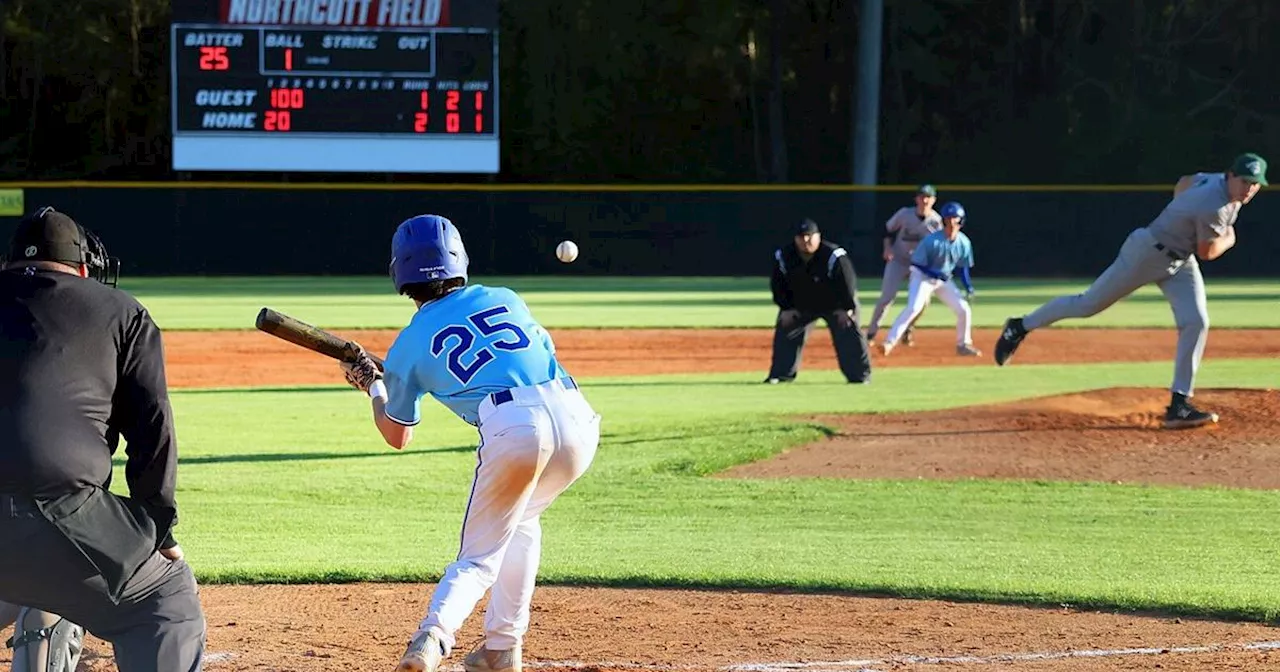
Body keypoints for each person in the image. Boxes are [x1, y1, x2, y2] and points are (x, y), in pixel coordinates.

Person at [336, 214, 601, 672]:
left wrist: (375, 388)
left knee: (479, 558)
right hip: (577, 416)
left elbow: (398, 434)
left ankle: (432, 638)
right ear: (459, 259)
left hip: (516, 428)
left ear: (400, 273)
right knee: (522, 521)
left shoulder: (406, 348)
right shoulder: (505, 298)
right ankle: (501, 647)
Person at [0, 206, 207, 672]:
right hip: (61, 515)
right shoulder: (121, 312)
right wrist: (158, 528)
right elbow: (153, 430)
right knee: (166, 602)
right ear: (82, 269)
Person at [993, 153, 1268, 429]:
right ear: (1230, 175)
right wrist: (1230, 239)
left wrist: (1180, 213)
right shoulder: (1214, 204)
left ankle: (1179, 405)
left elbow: (1184, 182)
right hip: (1147, 254)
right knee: (1087, 304)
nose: (1249, 189)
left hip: (1180, 260)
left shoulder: (1214, 182)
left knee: (1196, 321)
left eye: (1255, 184)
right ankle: (1019, 326)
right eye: (1244, 181)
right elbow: (1208, 251)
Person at [764, 218, 872, 384]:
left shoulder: (834, 255)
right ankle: (781, 375)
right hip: (802, 303)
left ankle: (859, 377)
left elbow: (848, 282)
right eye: (801, 237)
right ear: (795, 239)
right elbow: (778, 285)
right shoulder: (784, 256)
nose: (805, 240)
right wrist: (786, 308)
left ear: (818, 237)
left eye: (809, 236)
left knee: (848, 329)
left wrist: (847, 308)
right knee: (786, 327)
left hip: (836, 304)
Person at [878, 201, 980, 357]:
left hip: (943, 280)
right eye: (948, 219)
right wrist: (935, 273)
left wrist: (968, 286)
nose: (951, 223)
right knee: (913, 308)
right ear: (943, 221)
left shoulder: (964, 242)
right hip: (922, 277)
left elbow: (962, 267)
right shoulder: (931, 241)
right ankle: (889, 343)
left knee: (964, 309)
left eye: (955, 219)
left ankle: (963, 344)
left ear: (961, 221)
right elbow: (917, 264)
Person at [866, 184, 943, 346]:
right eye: (921, 196)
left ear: (934, 200)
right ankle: (871, 333)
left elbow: (939, 246)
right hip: (899, 260)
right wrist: (887, 248)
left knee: (922, 303)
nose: (924, 200)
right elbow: (887, 230)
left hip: (921, 266)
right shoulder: (904, 214)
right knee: (886, 298)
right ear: (916, 199)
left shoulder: (936, 222)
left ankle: (907, 329)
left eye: (928, 197)